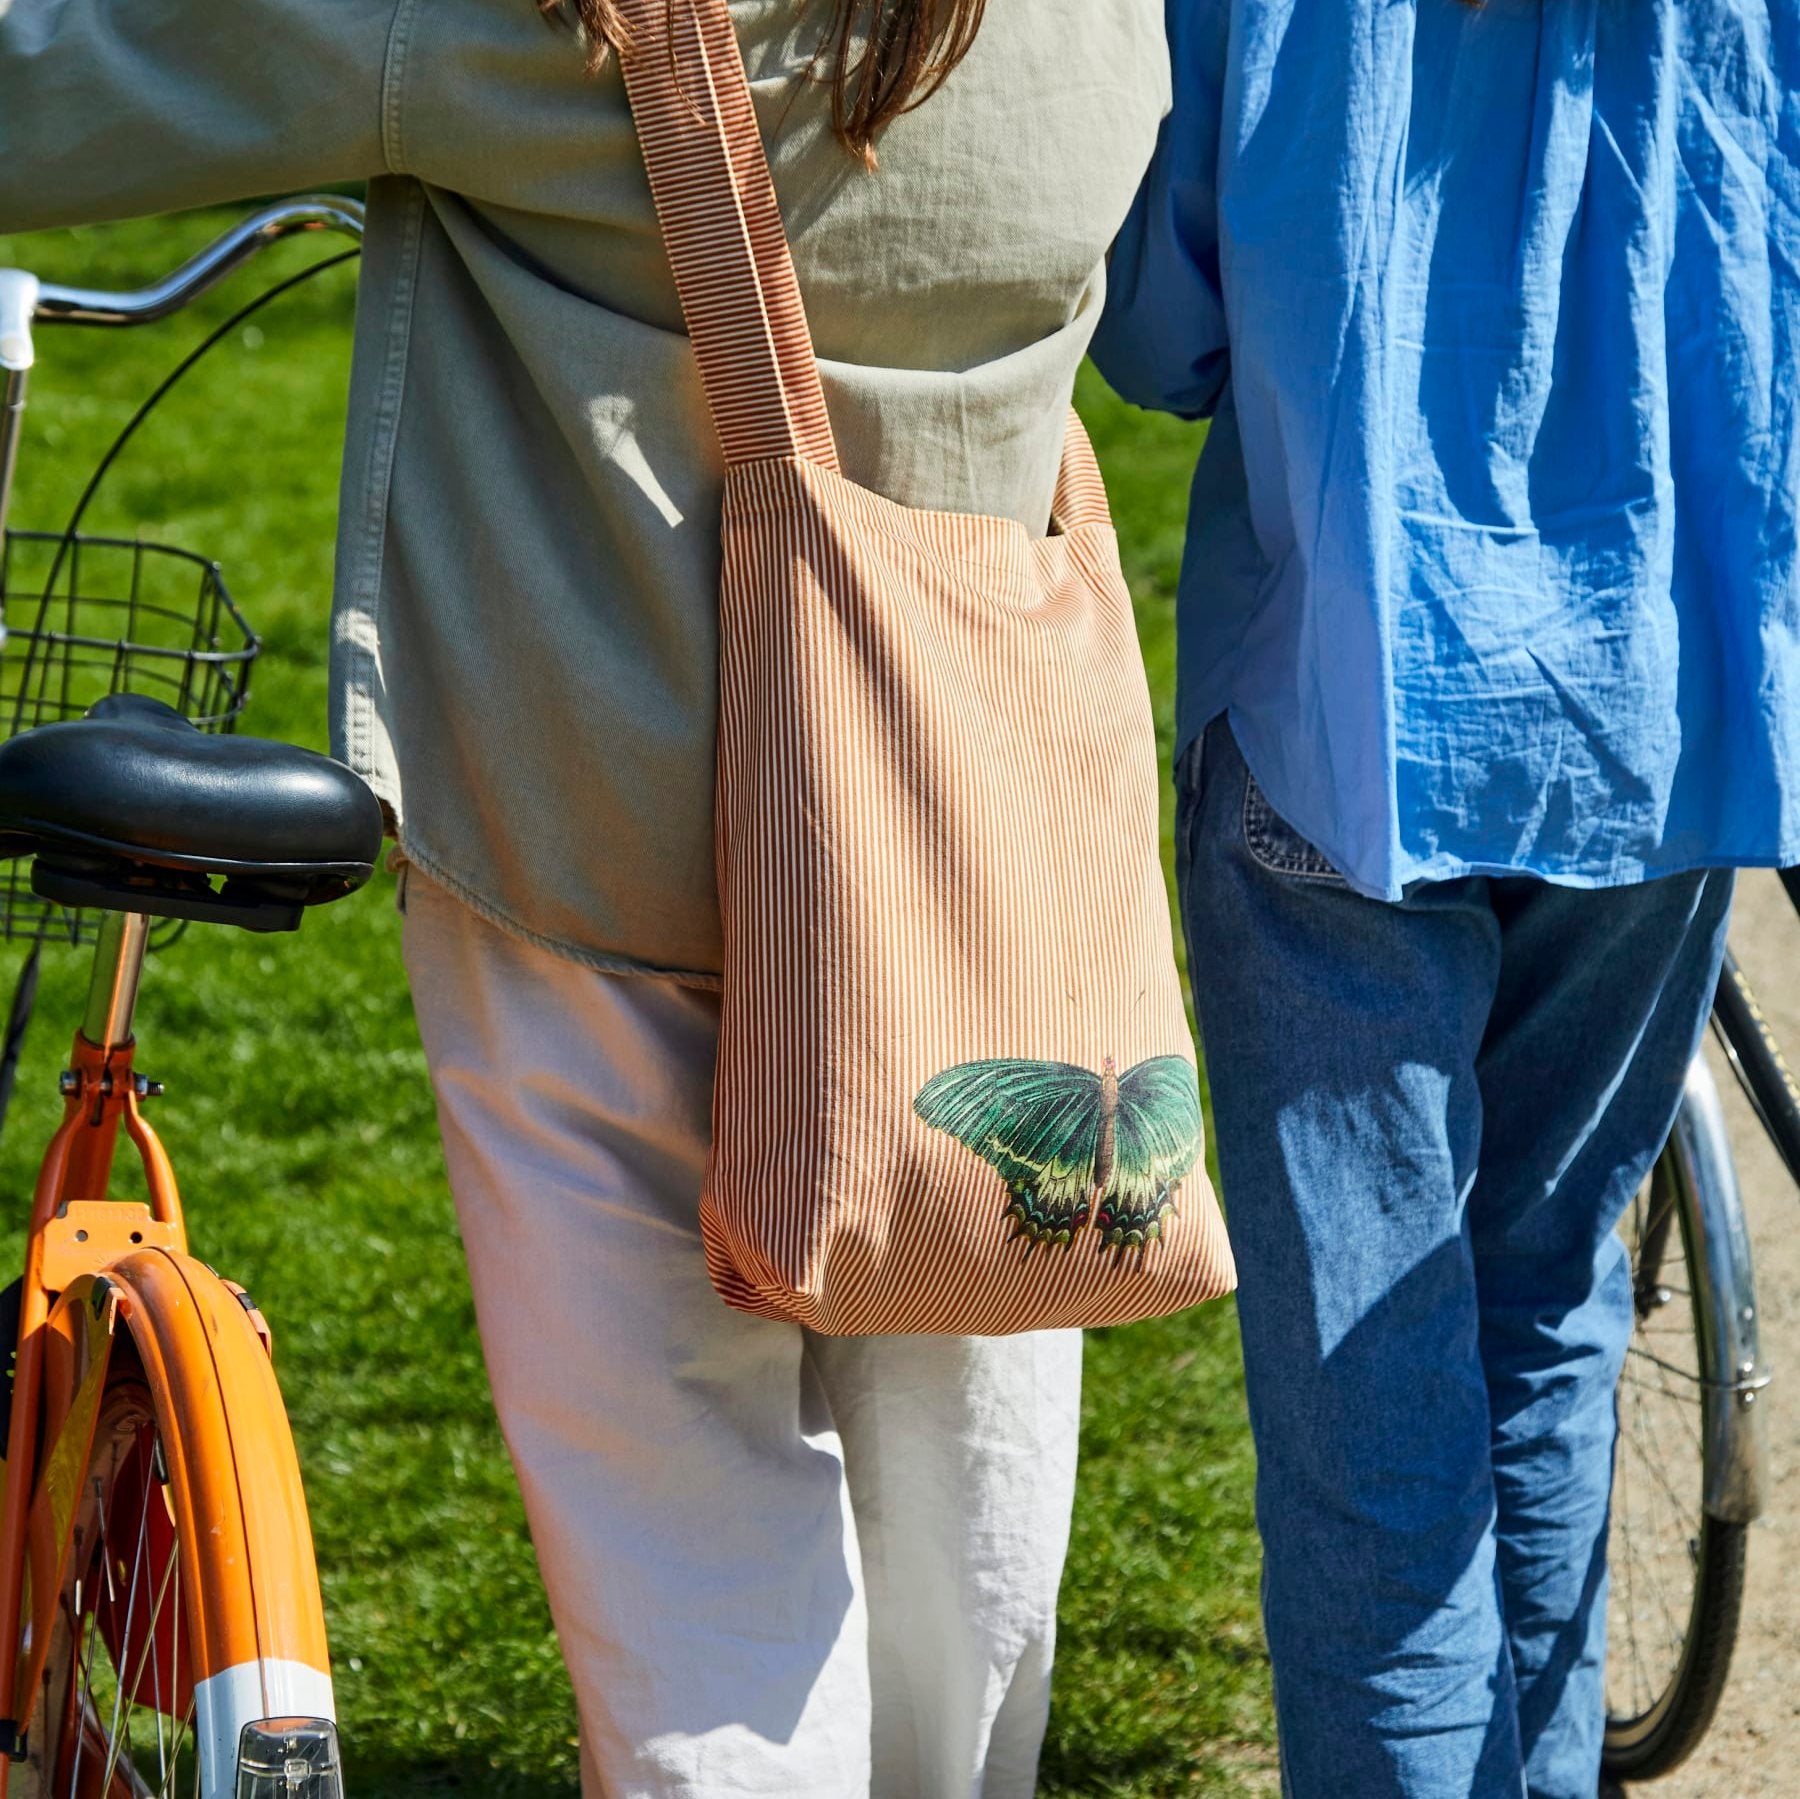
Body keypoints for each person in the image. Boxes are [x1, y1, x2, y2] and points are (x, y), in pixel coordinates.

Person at [0, 0, 1178, 1789]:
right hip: (975, 863)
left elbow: (56, 90)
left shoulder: (528, 24)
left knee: (692, 1558)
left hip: (602, 833)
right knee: (968, 1505)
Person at [1091, 1, 1798, 1795]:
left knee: (1371, 1436)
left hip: (1354, 690)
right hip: (1662, 695)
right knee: (1547, 1329)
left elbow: (1162, 330)